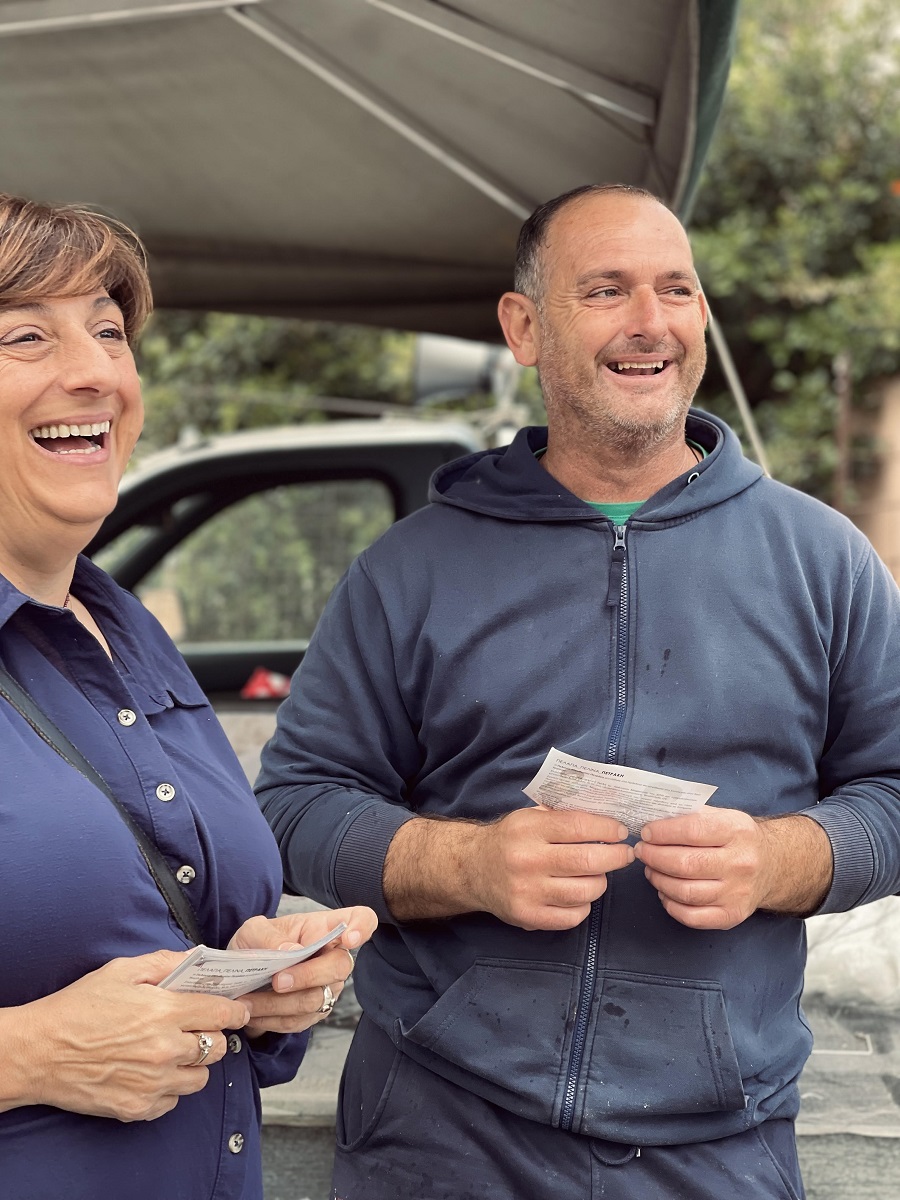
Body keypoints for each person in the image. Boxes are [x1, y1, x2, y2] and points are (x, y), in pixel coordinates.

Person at [256, 184, 900, 1198]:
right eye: (606, 290)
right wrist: (468, 863)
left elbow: (894, 790)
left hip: (716, 1148)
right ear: (525, 326)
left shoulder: (826, 560)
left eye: (676, 290)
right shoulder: (408, 569)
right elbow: (295, 806)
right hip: (440, 1134)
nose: (652, 323)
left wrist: (785, 858)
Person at [0, 193, 377, 1200]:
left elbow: (148, 941)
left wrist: (252, 971)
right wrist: (27, 1055)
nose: (94, 371)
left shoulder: (126, 630)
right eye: (26, 335)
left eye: (110, 332)